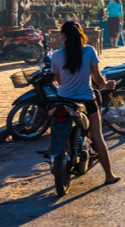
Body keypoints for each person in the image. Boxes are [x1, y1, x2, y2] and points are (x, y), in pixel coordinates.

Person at [51, 21, 121, 186]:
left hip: (63, 100)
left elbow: (58, 80)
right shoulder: (89, 51)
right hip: (86, 101)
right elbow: (97, 78)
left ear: (63, 36)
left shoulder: (56, 56)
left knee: (56, 129)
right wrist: (106, 85)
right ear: (80, 35)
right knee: (97, 136)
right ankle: (109, 175)